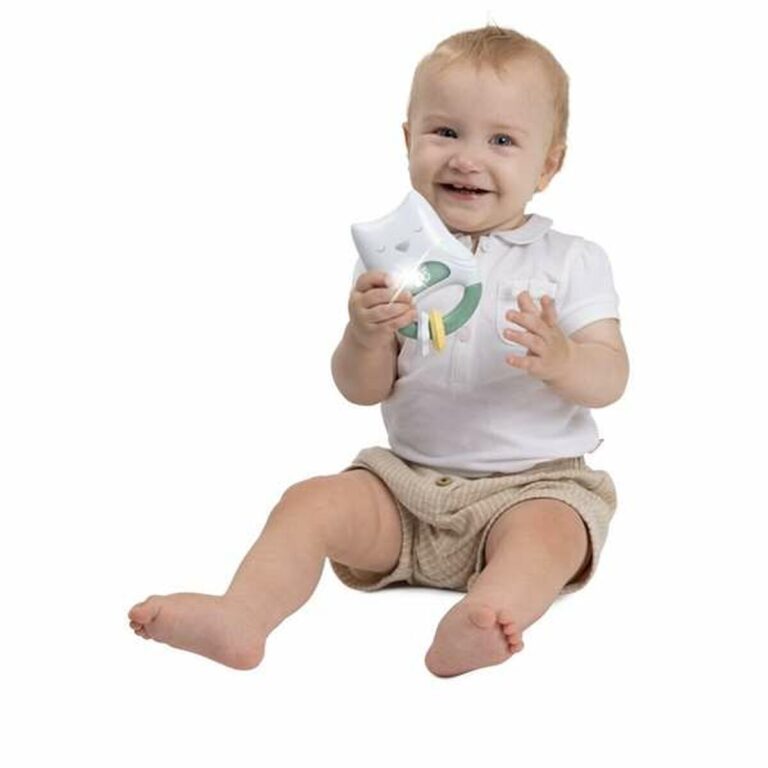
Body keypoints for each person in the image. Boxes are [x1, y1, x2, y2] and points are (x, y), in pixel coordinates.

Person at [128, 24, 629, 678]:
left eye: (502, 141)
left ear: (548, 166)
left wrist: (563, 359)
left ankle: (484, 616)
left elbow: (610, 376)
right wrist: (365, 334)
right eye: (445, 132)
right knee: (309, 500)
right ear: (408, 140)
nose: (467, 158)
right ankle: (242, 614)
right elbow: (361, 390)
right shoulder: (395, 263)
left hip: (532, 487)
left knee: (551, 537)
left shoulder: (571, 261)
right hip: (407, 487)